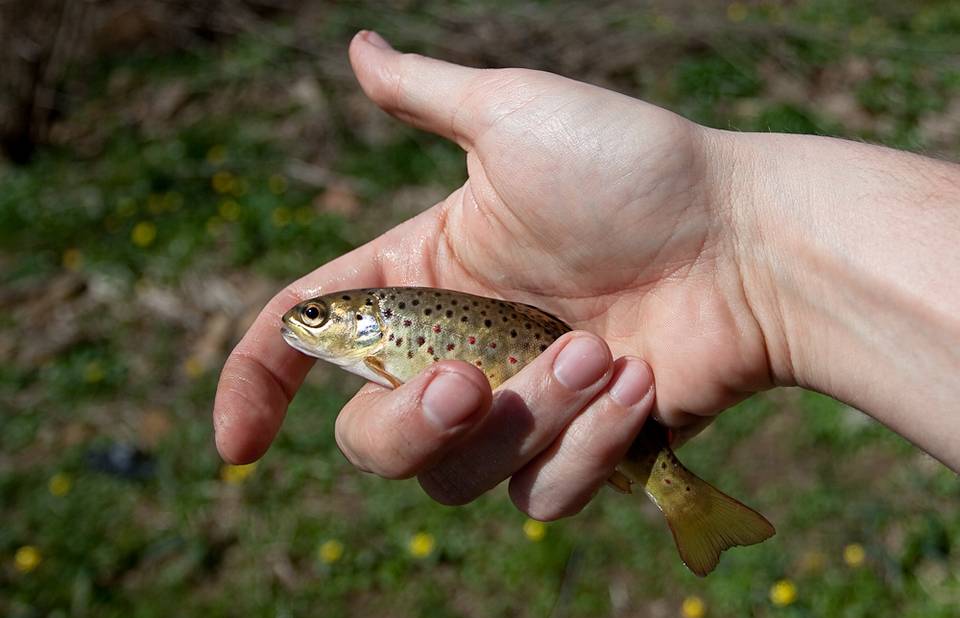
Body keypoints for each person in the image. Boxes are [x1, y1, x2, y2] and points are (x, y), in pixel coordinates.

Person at [213, 31, 960, 520]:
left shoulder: (378, 343)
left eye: (319, 318)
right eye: (315, 316)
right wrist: (748, 251)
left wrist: (732, 225)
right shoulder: (380, 334)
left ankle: (678, 497)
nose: (304, 321)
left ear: (365, 326)